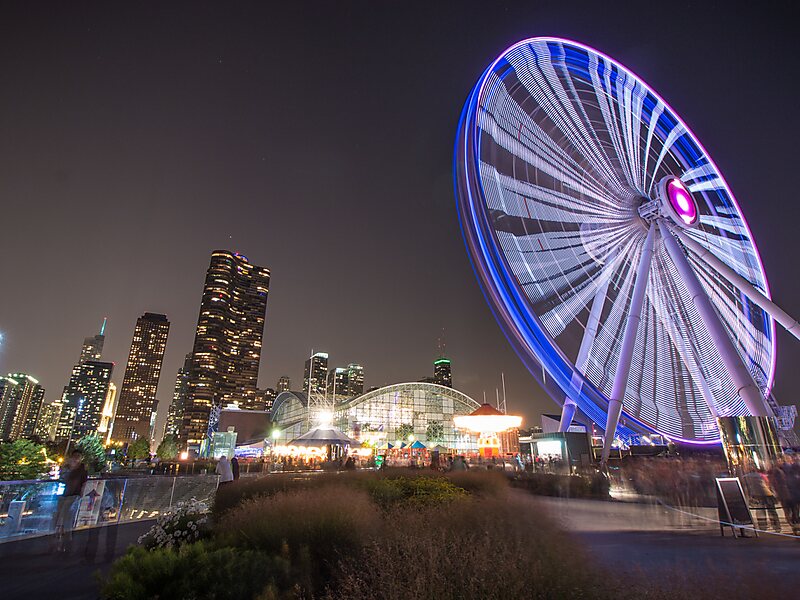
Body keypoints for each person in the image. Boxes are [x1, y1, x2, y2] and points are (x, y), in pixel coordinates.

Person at [53, 449, 88, 552]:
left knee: (67, 516)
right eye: (75, 456)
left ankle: (67, 539)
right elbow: (61, 478)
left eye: (78, 456)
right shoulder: (67, 468)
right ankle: (59, 537)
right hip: (63, 495)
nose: (76, 458)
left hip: (73, 496)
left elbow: (84, 483)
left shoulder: (82, 469)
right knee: (59, 515)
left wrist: (81, 494)